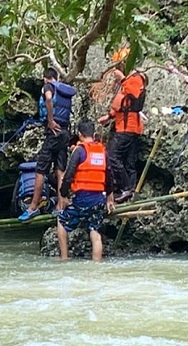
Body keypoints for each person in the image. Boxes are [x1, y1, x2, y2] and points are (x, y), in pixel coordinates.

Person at [19, 66, 76, 220]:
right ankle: (61, 204)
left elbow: (49, 98)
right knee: (60, 170)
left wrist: (50, 120)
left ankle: (33, 207)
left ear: (45, 77)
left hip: (53, 132)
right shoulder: (65, 90)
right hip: (65, 132)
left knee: (40, 170)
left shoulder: (48, 86)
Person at [55, 121, 115, 261]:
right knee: (95, 230)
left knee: (61, 220)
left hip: (82, 199)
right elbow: (109, 175)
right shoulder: (102, 151)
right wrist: (109, 198)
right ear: (94, 135)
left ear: (80, 135)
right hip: (99, 199)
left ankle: (64, 258)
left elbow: (69, 175)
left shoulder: (80, 150)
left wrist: (63, 195)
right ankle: (96, 264)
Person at [97, 47, 147, 203]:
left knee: (112, 156)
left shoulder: (135, 78)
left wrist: (123, 79)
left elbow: (134, 95)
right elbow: (123, 104)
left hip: (128, 127)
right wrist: (108, 116)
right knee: (128, 161)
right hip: (128, 126)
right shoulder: (127, 81)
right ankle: (129, 190)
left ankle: (125, 188)